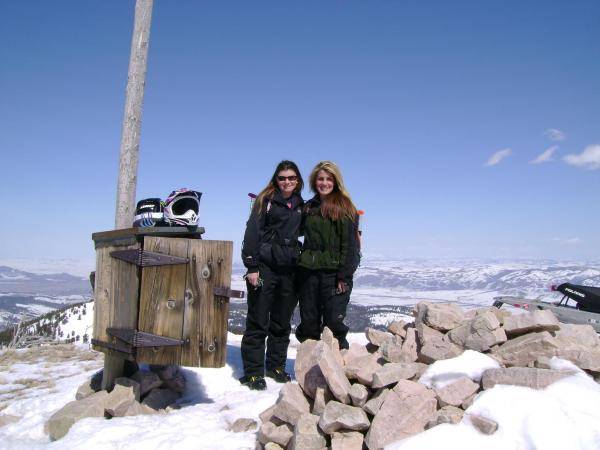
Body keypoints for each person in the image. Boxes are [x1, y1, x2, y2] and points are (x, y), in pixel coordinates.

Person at [240, 160, 304, 390]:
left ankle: (275, 366)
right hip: (265, 266)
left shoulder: (299, 204)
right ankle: (253, 372)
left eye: (292, 178)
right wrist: (252, 266)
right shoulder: (265, 200)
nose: (287, 182)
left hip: (289, 269)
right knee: (258, 320)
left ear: (298, 181)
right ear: (276, 179)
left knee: (281, 322)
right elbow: (252, 233)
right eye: (283, 177)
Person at [295, 161, 360, 350]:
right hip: (308, 272)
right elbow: (294, 231)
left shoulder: (344, 207)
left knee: (333, 323)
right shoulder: (309, 207)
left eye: (328, 179)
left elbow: (350, 245)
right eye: (320, 179)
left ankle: (338, 369)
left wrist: (344, 276)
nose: (324, 183)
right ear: (314, 182)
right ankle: (308, 369)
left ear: (336, 181)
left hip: (334, 274)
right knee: (308, 322)